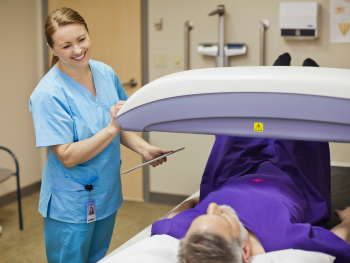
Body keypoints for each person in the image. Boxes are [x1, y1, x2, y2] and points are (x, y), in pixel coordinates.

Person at [150, 56, 350, 263]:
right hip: (288, 179)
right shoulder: (282, 240)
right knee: (296, 134)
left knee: (238, 130)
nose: (213, 208)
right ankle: (311, 85)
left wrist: (193, 202)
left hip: (232, 176)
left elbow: (170, 219)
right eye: (222, 217)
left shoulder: (197, 236)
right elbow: (338, 240)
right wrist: (348, 221)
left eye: (205, 214)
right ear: (245, 251)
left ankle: (272, 81)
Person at [29, 7, 169, 263]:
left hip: (106, 191)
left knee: (98, 257)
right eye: (66, 45)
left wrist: (144, 149)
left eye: (82, 39)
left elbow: (121, 124)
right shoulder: (47, 95)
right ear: (53, 49)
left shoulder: (105, 73)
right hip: (70, 201)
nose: (77, 50)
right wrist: (111, 129)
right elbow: (68, 156)